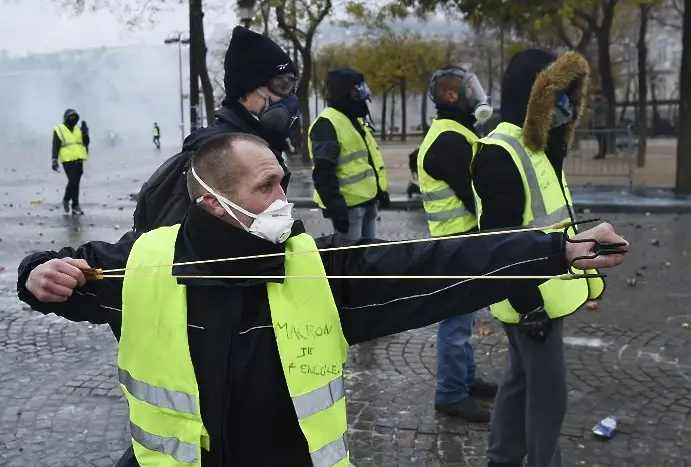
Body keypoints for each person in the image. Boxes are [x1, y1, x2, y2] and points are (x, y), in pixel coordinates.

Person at [18, 132, 628, 467]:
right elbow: (65, 278)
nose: (287, 198)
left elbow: (429, 267)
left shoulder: (315, 268)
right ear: (214, 203)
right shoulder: (142, 264)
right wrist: (36, 276)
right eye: (269, 186)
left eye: (284, 179)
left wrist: (555, 252)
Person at [471, 49, 605, 467]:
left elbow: (550, 220)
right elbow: (500, 240)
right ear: (536, 96)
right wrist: (529, 305)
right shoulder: (501, 150)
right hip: (532, 299)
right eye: (559, 93)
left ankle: (503, 457)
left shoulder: (538, 145)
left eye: (570, 94)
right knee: (548, 392)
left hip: (546, 291)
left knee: (520, 381)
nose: (566, 104)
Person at [132, 25, 300, 233]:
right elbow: (175, 247)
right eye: (281, 85)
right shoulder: (209, 156)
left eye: (291, 86)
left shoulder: (263, 147)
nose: (289, 98)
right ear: (244, 93)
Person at [416, 66, 498, 423]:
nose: (475, 93)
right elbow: (474, 194)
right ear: (452, 97)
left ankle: (465, 379)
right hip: (457, 244)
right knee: (456, 322)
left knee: (464, 317)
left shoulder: (455, 132)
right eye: (469, 88)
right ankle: (450, 394)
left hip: (460, 241)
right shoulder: (450, 139)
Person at [308, 67, 389, 240]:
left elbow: (368, 159)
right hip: (349, 208)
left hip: (367, 202)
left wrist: (380, 191)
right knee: (349, 261)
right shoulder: (327, 123)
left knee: (367, 258)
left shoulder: (353, 120)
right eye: (356, 89)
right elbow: (323, 172)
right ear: (344, 92)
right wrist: (336, 209)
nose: (361, 93)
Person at [52, 108, 89, 215]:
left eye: (74, 117)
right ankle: (75, 205)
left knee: (74, 181)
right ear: (66, 118)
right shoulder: (59, 129)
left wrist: (85, 133)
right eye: (70, 117)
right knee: (73, 181)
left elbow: (86, 143)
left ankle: (66, 199)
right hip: (67, 159)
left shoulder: (78, 129)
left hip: (79, 157)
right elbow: (55, 145)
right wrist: (54, 160)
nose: (73, 119)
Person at [590, 89, 608, 160]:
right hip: (598, 123)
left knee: (602, 139)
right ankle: (601, 153)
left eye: (596, 95)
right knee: (599, 140)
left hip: (601, 124)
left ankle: (602, 154)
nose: (595, 96)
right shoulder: (600, 101)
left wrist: (592, 100)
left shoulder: (603, 102)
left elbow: (594, 107)